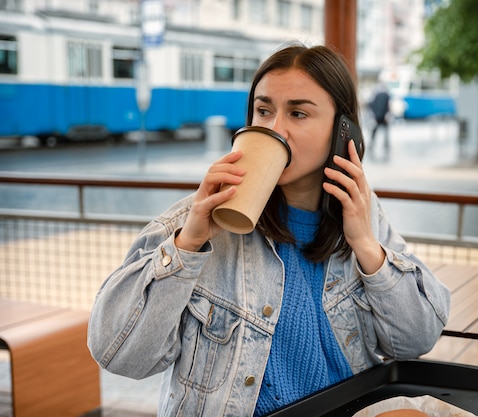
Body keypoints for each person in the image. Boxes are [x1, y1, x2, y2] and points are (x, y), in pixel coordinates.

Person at [87, 43, 450, 417]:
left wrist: (365, 245)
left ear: (344, 133)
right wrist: (188, 245)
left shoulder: (361, 214)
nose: (275, 129)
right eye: (264, 110)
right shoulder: (197, 219)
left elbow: (415, 341)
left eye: (298, 113)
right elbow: (118, 355)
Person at [368, 83, 391, 152]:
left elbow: (371, 104)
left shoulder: (376, 95)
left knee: (375, 130)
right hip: (383, 116)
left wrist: (374, 114)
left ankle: (372, 142)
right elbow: (387, 106)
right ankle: (386, 143)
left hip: (377, 115)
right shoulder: (386, 95)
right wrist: (387, 114)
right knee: (386, 130)